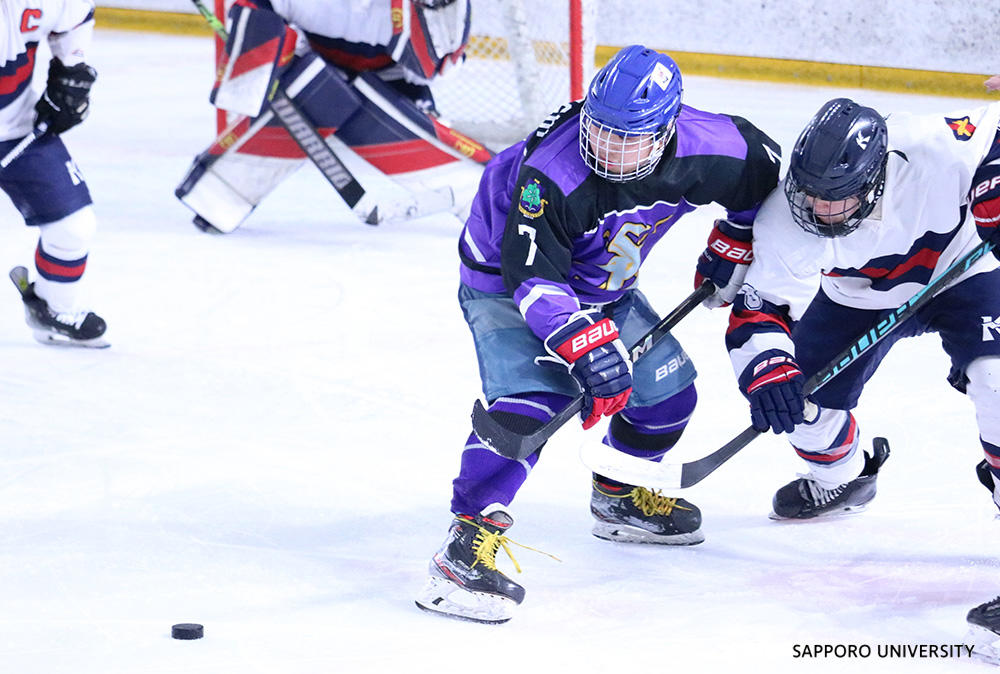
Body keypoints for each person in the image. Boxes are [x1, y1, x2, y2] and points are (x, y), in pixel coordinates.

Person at [414, 44, 781, 623]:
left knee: (667, 396)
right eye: (600, 130)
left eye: (628, 138)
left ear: (666, 130)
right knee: (535, 402)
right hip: (507, 281)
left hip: (602, 283)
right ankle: (464, 544)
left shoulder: (711, 146)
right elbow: (531, 275)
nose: (608, 148)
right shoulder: (551, 174)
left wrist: (734, 239)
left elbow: (764, 178)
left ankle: (617, 496)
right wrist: (583, 344)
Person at [722, 97, 1000, 651]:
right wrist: (767, 367)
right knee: (804, 411)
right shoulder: (787, 214)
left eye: (837, 196)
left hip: (966, 274)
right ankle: (844, 477)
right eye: (810, 194)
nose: (819, 209)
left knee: (997, 385)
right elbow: (760, 305)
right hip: (858, 298)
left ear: (875, 177)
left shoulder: (938, 146)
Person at [175, 0, 491, 234]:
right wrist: (263, 54)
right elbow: (255, 14)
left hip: (391, 79)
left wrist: (433, 18)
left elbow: (433, 71)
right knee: (312, 85)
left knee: (333, 93)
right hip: (311, 68)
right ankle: (222, 193)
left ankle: (488, 199)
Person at [0, 0, 107, 348]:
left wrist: (70, 70)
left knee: (73, 228)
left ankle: (54, 311)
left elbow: (74, 17)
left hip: (18, 128)